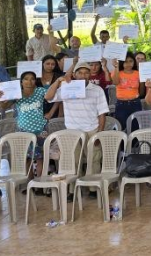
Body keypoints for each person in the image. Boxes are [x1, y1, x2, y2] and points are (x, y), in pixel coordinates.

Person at [44, 62, 110, 197]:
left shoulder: (97, 90)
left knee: (94, 160)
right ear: (74, 74)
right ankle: (73, 190)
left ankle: (93, 189)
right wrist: (58, 81)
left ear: (90, 75)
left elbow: (102, 113)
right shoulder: (66, 87)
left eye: (86, 72)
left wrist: (99, 133)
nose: (83, 75)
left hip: (92, 129)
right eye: (80, 72)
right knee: (73, 161)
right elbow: (48, 97)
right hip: (72, 132)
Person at [0, 71, 48, 179]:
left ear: (35, 81)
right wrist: (2, 99)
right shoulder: (16, 94)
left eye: (32, 79)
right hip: (23, 130)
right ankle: (29, 182)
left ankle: (41, 183)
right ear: (21, 82)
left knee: (40, 158)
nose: (29, 81)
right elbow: (4, 107)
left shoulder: (40, 91)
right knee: (26, 158)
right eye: (26, 79)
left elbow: (53, 96)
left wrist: (50, 113)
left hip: (40, 130)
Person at [111, 53, 141, 130]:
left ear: (134, 62)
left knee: (135, 127)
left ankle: (134, 139)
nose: (128, 64)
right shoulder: (117, 72)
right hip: (121, 104)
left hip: (135, 103)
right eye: (126, 61)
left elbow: (142, 89)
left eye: (131, 61)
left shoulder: (138, 73)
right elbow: (115, 82)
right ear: (122, 63)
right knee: (121, 127)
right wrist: (116, 67)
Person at [39, 55, 63, 120]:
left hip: (55, 109)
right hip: (38, 109)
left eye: (53, 64)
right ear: (42, 64)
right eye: (47, 64)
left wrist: (51, 113)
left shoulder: (58, 77)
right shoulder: (36, 78)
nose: (50, 66)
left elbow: (60, 97)